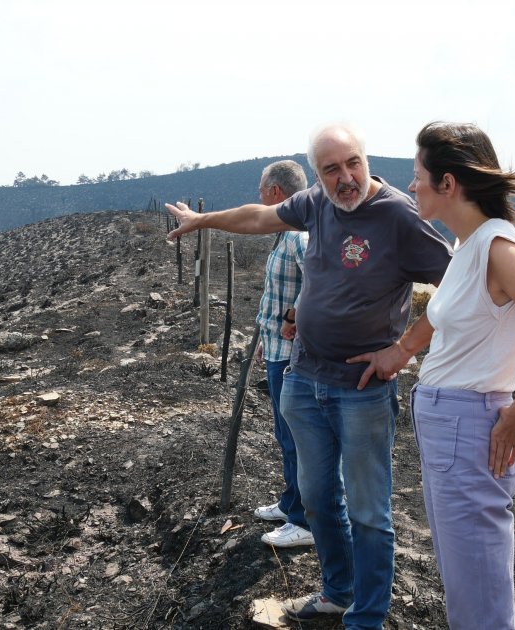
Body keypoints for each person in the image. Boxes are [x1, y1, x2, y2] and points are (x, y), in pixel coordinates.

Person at [167, 123, 452, 630]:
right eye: (330, 170)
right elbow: (260, 216)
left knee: (369, 512)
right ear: (317, 175)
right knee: (319, 499)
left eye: (352, 164)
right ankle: (338, 593)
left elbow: (457, 283)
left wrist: (404, 348)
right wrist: (202, 220)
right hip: (303, 378)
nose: (345, 178)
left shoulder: (397, 215)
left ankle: (367, 616)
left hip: (362, 389)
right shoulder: (316, 203)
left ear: (366, 160)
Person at [347, 122, 515, 628]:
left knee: (478, 599)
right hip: (451, 428)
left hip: (471, 428)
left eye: (418, 176)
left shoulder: (499, 249)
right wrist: (399, 351)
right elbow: (441, 314)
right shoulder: (468, 246)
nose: (411, 186)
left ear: (448, 184)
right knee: (468, 584)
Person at [249, 159, 314, 548]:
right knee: (283, 432)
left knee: (294, 436)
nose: (259, 196)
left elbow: (319, 279)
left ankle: (303, 520)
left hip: (292, 354)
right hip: (276, 347)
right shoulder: (285, 233)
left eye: (262, 189)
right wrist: (265, 336)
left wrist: (296, 316)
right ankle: (291, 502)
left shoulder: (299, 237)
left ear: (276, 192)